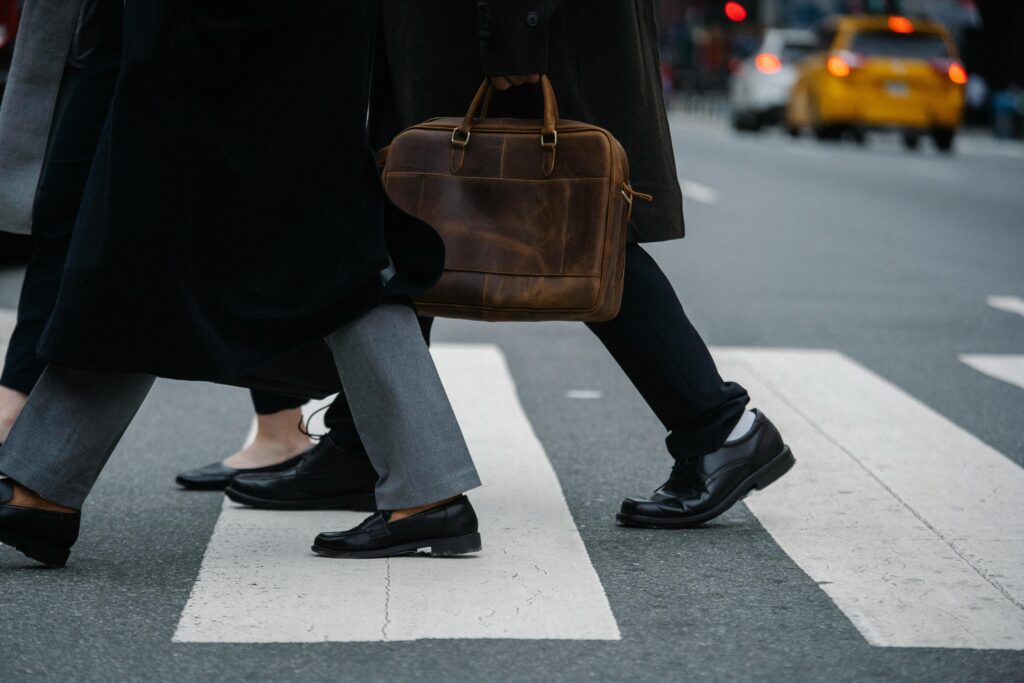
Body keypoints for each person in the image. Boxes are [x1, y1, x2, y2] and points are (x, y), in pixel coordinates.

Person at [223, 0, 795, 529]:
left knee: (575, 228)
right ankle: (365, 446)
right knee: (410, 218)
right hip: (472, 34)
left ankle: (719, 425)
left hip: (506, 37)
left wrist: (518, 28)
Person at [0, 0, 482, 567]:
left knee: (321, 260)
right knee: (165, 260)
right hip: (250, 48)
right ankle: (43, 487)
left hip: (232, 49)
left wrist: (183, 39)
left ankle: (43, 488)